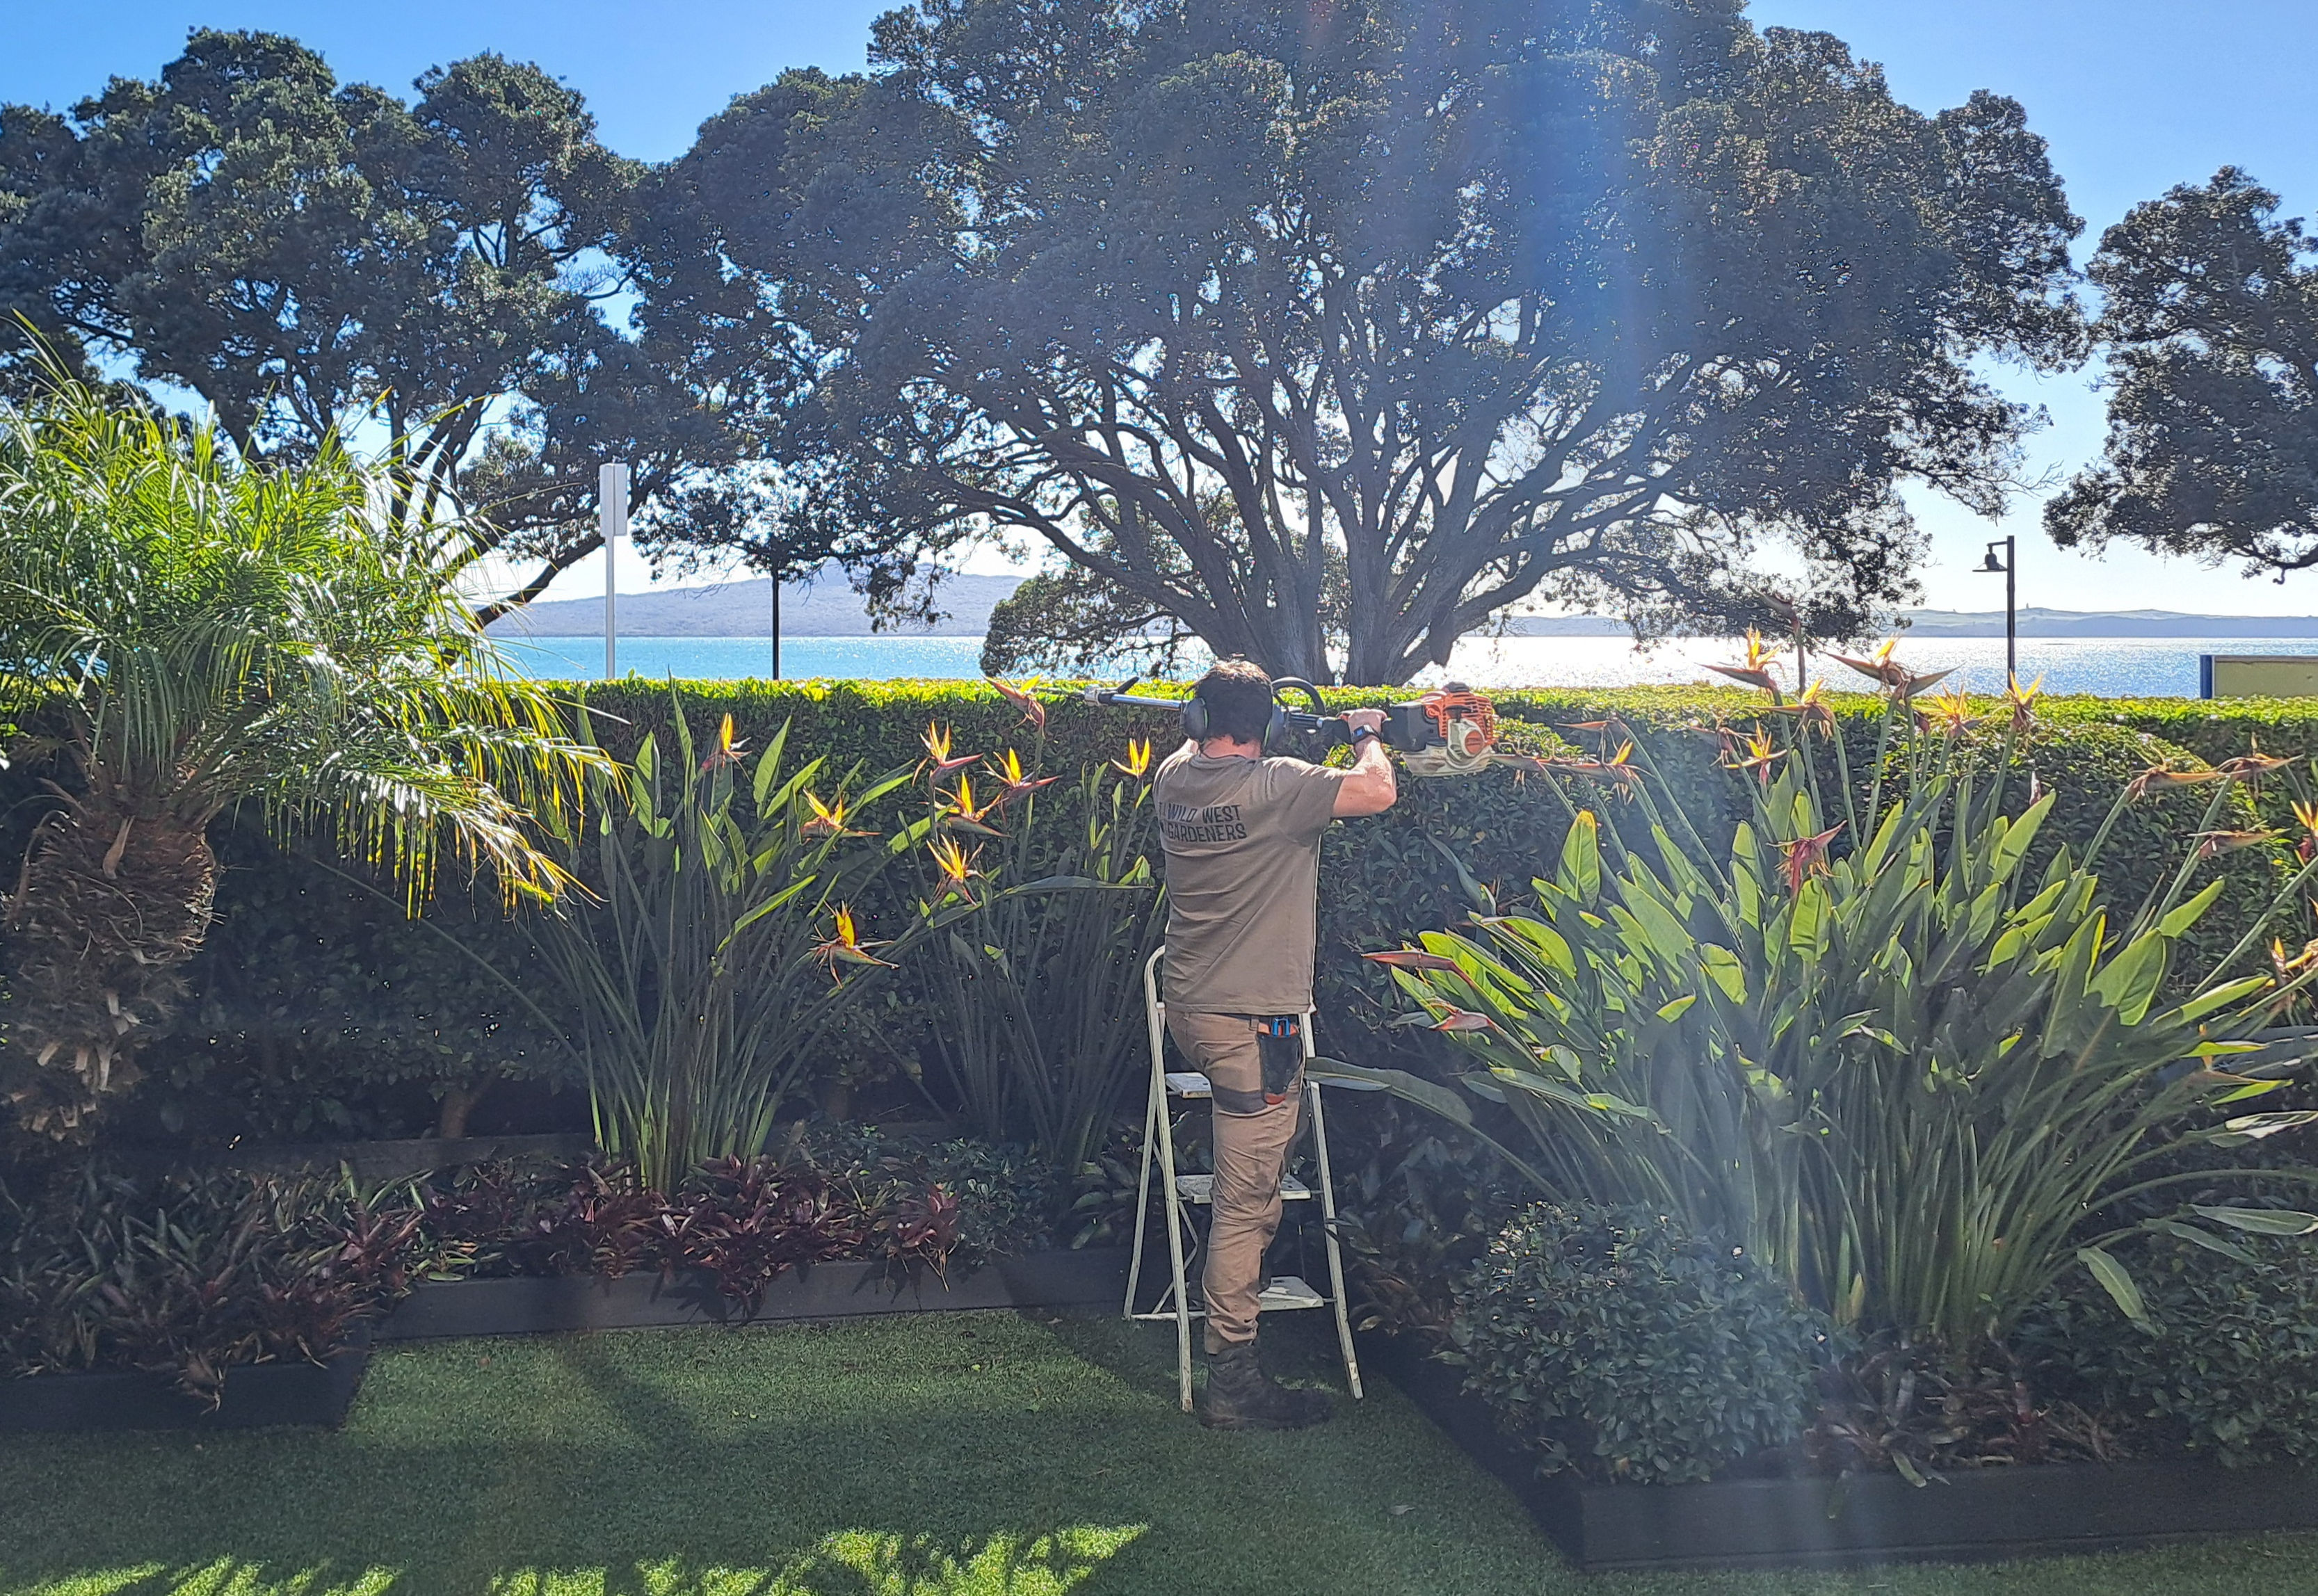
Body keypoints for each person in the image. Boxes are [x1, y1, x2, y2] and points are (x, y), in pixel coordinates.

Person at [1154, 658, 1397, 1430]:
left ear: (1196, 721)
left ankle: (1234, 1346)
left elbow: (1218, 751)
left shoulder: (1174, 779)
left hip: (1191, 1011)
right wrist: (1363, 735)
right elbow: (1379, 790)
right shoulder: (1281, 785)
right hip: (1257, 1027)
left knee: (1247, 1181)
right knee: (1244, 1204)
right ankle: (1234, 1377)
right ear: (1272, 728)